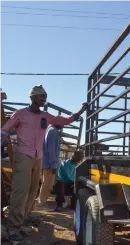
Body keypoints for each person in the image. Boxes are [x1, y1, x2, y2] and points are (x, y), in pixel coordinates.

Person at [0, 85, 88, 242]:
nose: (44, 99)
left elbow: (66, 120)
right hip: (23, 156)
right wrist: (3, 137)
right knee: (20, 191)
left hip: (38, 158)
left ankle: (24, 218)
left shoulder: (46, 116)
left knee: (33, 190)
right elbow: (5, 129)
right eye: (41, 96)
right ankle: (13, 227)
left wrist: (80, 110)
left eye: (45, 96)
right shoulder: (20, 114)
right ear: (32, 97)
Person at [36, 124, 62, 207]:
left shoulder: (48, 130)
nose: (64, 125)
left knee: (44, 184)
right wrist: (53, 164)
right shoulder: (53, 131)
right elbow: (51, 150)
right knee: (47, 185)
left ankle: (40, 202)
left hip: (44, 162)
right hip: (49, 164)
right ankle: (41, 203)